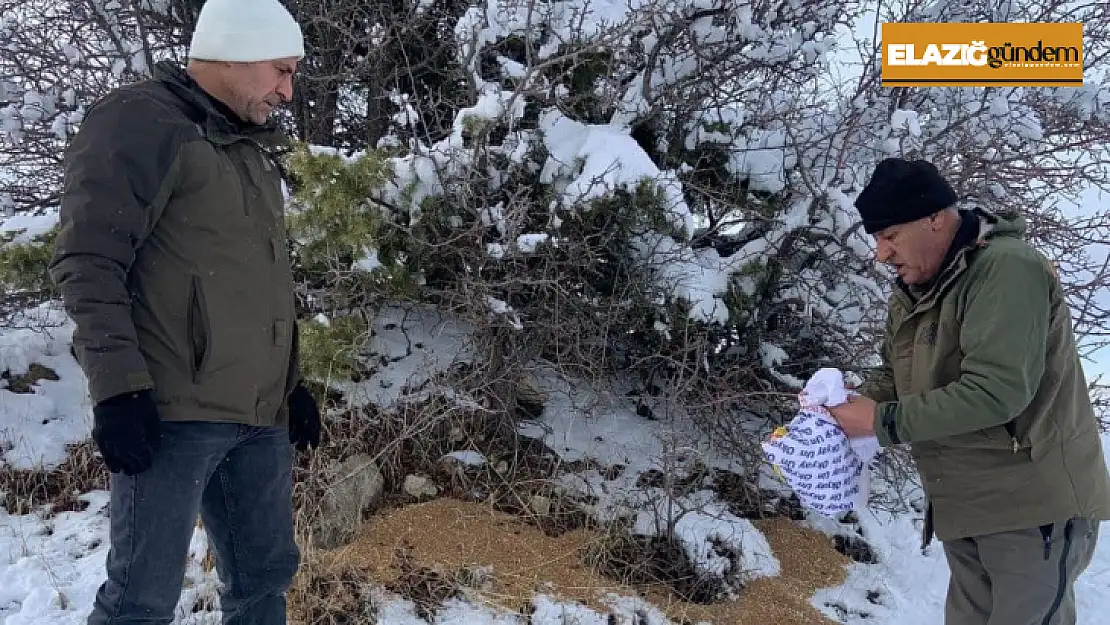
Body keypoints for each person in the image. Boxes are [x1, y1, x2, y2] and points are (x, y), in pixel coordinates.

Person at [47, 0, 321, 622]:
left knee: (264, 584)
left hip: (259, 417)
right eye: (281, 70)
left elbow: (261, 283)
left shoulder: (246, 148)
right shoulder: (141, 120)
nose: (288, 90)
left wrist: (292, 385)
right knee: (139, 601)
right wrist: (118, 390)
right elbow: (88, 260)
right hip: (171, 415)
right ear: (236, 53)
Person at [828, 157, 1110, 624]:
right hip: (967, 507)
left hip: (1031, 508)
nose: (881, 253)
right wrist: (844, 406)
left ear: (936, 219)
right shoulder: (916, 287)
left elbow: (998, 391)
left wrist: (882, 423)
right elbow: (896, 378)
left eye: (889, 236)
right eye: (876, 239)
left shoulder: (1006, 269)